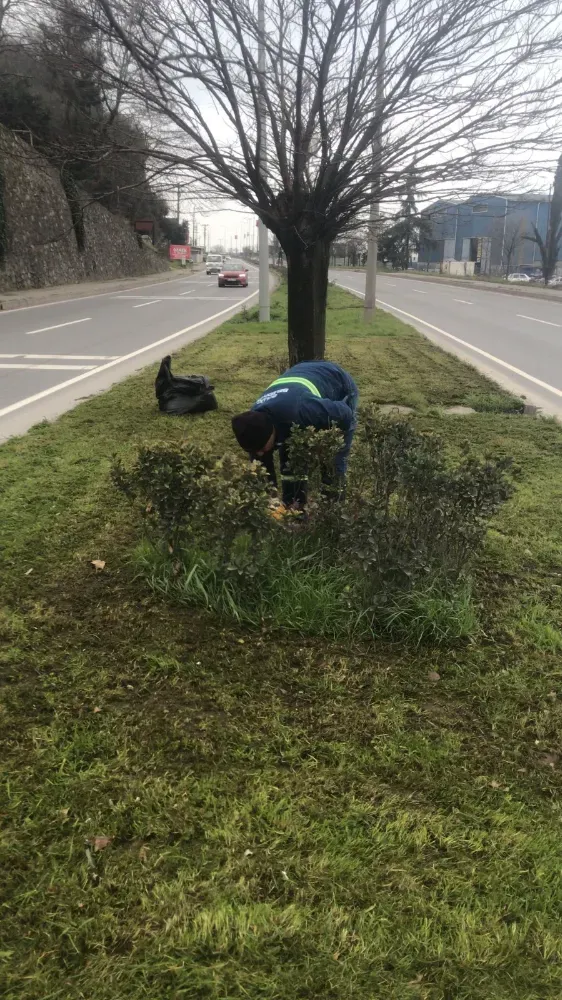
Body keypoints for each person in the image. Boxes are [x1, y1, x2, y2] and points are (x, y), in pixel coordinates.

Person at [231, 360, 358, 507]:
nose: (259, 454)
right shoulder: (253, 427)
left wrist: (325, 445)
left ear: (271, 432)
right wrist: (270, 502)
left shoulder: (303, 410)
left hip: (336, 384)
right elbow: (263, 474)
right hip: (296, 387)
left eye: (261, 448)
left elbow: (345, 415)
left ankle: (333, 511)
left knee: (332, 465)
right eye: (254, 451)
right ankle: (295, 512)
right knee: (290, 462)